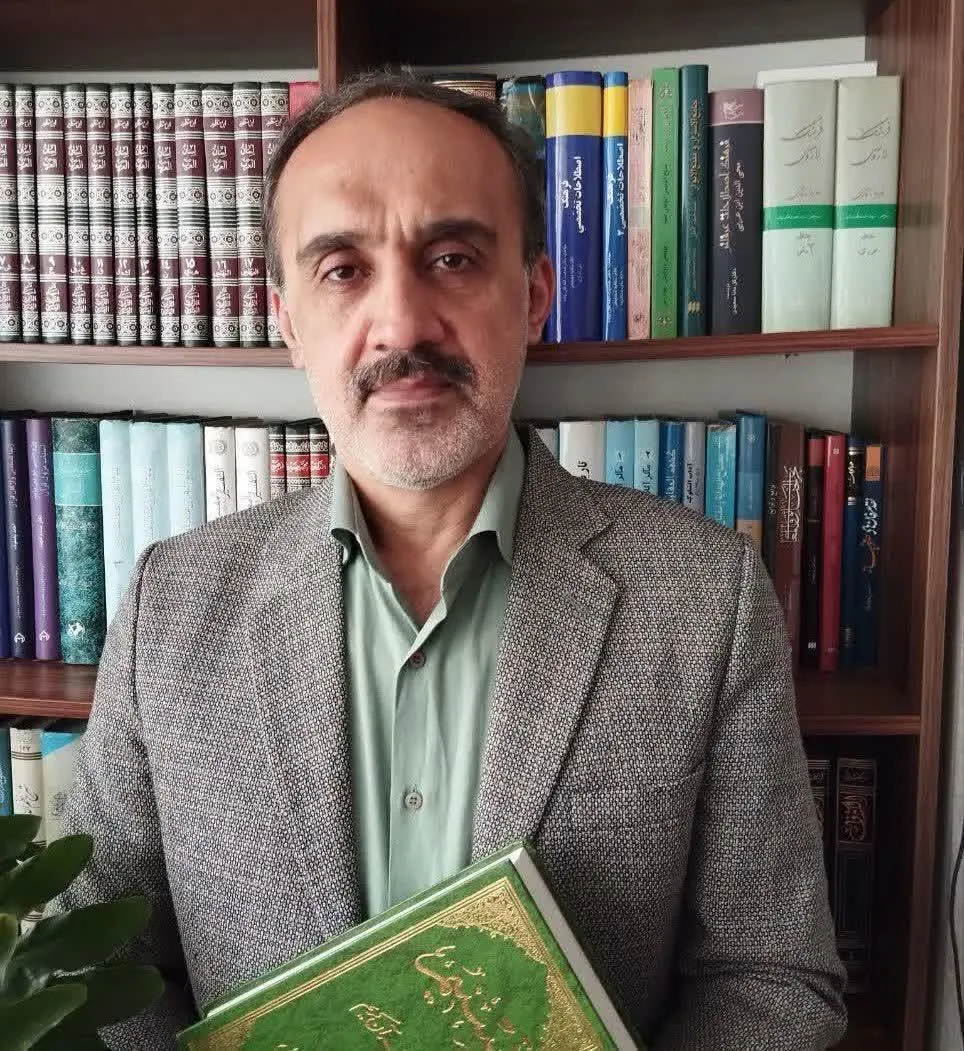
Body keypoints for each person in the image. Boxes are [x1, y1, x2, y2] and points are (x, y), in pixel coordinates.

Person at [57, 70, 847, 1049]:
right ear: (289, 320)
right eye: (342, 269)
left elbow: (772, 975)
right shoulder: (169, 607)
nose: (402, 324)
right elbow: (89, 961)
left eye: (453, 258)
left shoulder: (705, 597)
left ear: (535, 295)